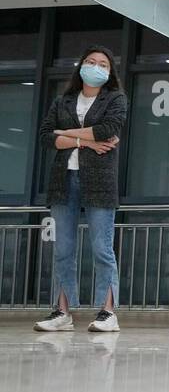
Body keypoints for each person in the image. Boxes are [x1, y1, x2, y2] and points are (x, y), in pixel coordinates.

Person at [34, 45, 126, 333]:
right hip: (64, 180)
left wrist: (66, 133)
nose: (96, 67)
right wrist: (83, 141)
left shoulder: (115, 98)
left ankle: (107, 312)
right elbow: (46, 137)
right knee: (63, 249)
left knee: (102, 248)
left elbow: (106, 130)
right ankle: (62, 311)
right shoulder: (63, 101)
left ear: (109, 72)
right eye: (91, 61)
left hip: (100, 181)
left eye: (102, 64)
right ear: (81, 66)